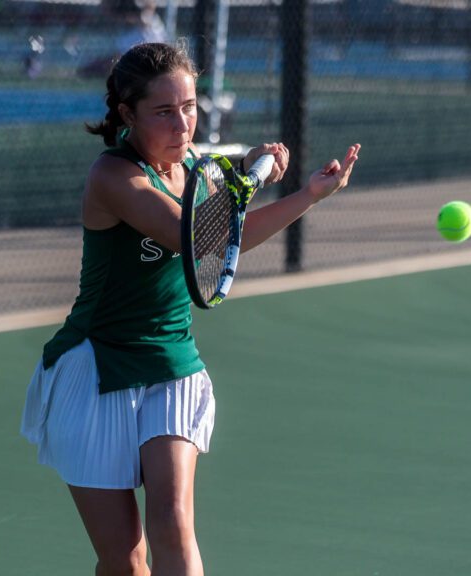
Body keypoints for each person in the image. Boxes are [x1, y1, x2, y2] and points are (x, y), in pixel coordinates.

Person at [20, 42, 359, 576]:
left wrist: (304, 192)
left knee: (174, 523)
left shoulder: (198, 167)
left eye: (190, 107)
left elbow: (229, 231)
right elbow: (195, 237)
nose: (182, 124)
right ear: (126, 115)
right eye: (164, 112)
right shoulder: (114, 177)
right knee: (126, 561)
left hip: (171, 364)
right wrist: (245, 179)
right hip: (95, 369)